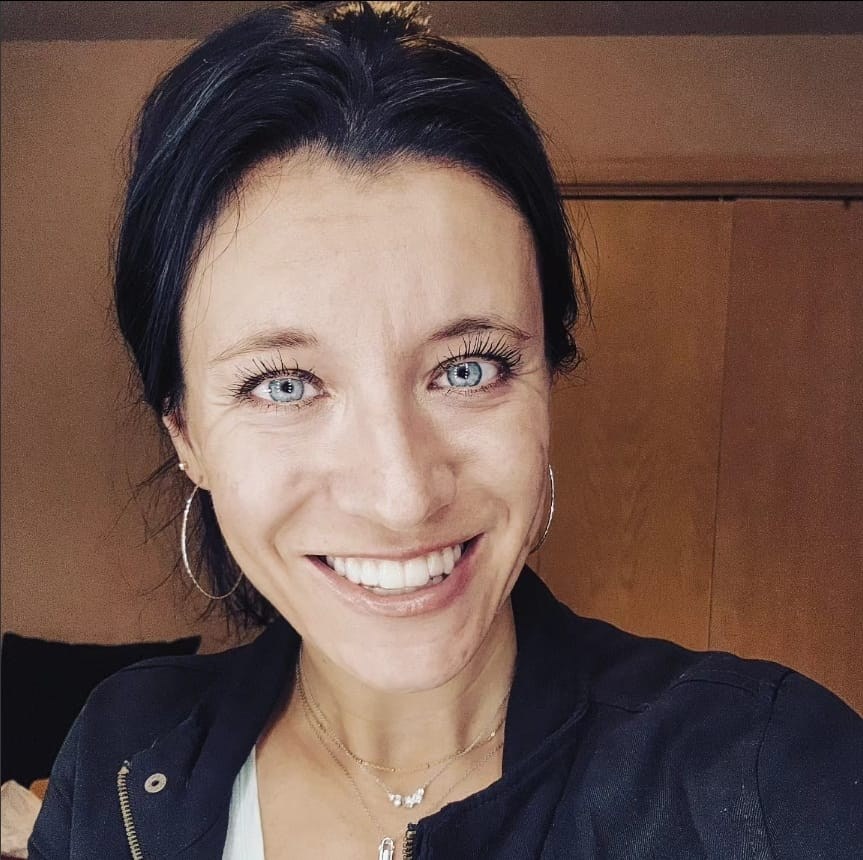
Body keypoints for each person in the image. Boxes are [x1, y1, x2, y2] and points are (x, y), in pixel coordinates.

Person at [29, 3, 861, 858]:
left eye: (467, 368)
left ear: (546, 381)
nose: (401, 497)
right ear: (186, 434)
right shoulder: (120, 751)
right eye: (284, 384)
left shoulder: (771, 777)